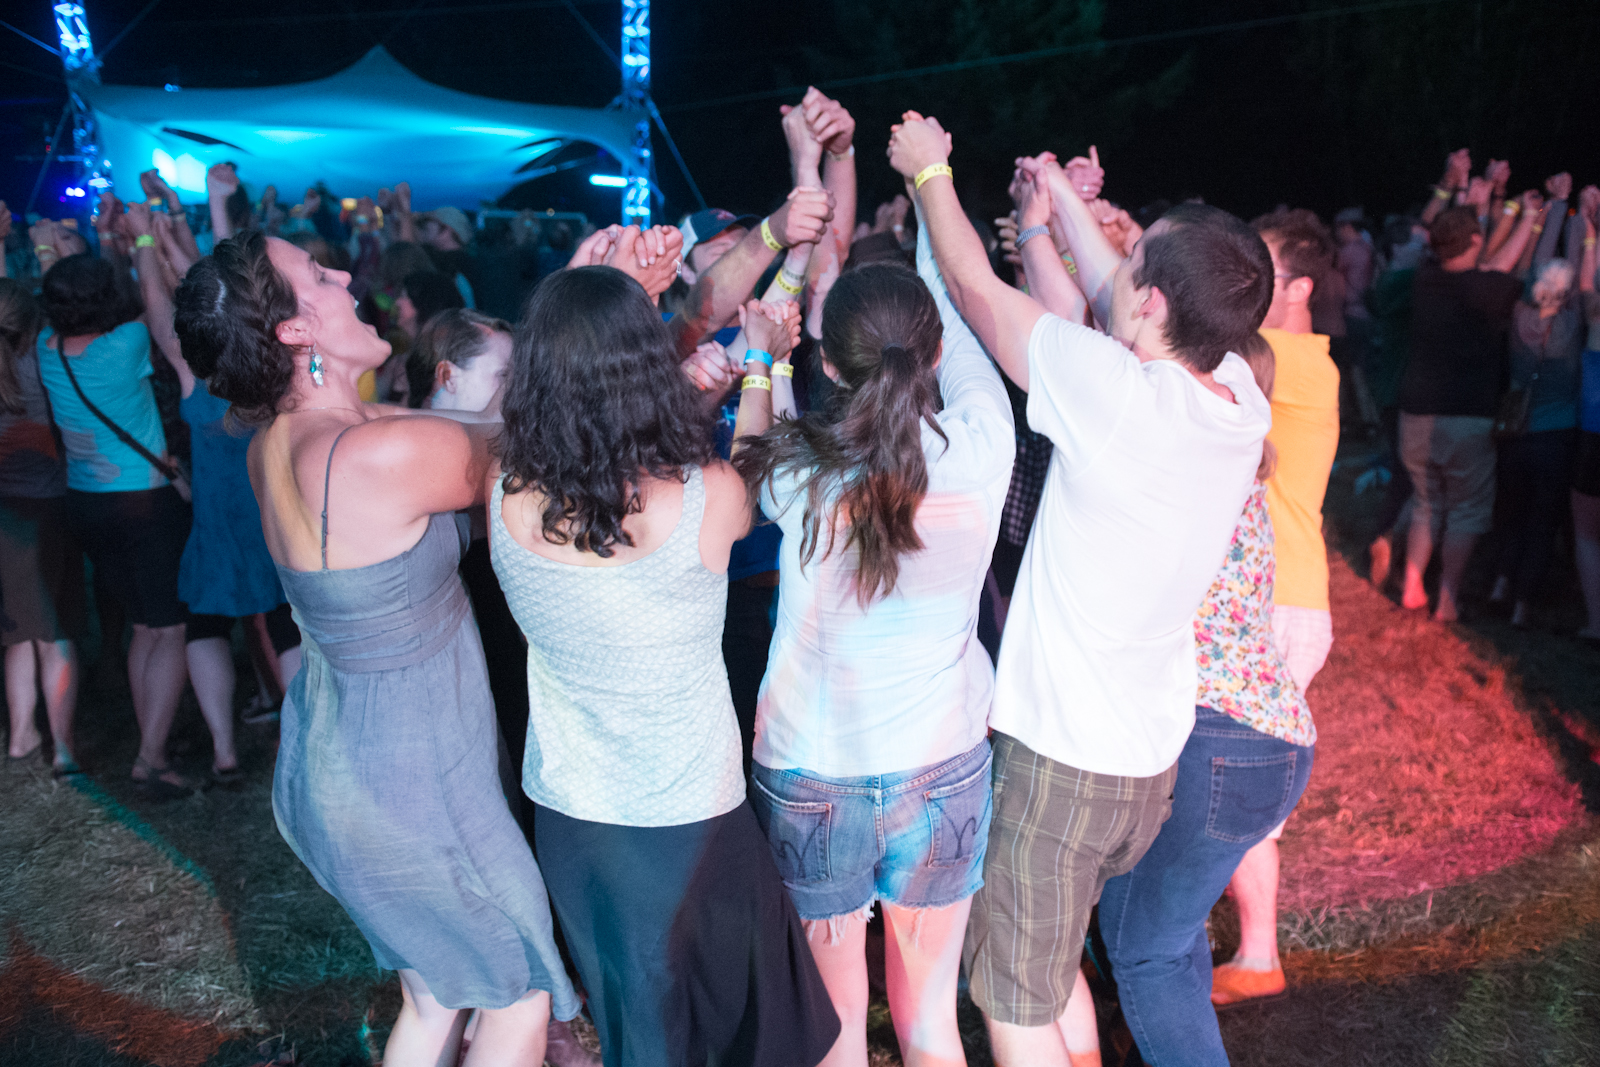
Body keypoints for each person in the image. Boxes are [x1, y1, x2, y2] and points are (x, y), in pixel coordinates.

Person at [886, 115, 1271, 1066]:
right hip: (1141, 762)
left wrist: (929, 169)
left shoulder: (1117, 396)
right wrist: (1053, 194)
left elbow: (976, 288)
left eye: (1135, 260)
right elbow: (1114, 290)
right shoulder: (1234, 398)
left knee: (1015, 1001)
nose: (1120, 267)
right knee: (1052, 979)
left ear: (1151, 307)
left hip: (1064, 765)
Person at [172, 230, 578, 1067]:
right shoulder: (377, 453)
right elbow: (545, 439)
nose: (345, 275)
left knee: (436, 1002)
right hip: (409, 787)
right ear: (294, 331)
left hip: (342, 761)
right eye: (318, 276)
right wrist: (589, 310)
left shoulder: (283, 442)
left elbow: (457, 422)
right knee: (517, 991)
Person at [490, 266, 840, 1067]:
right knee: (746, 1034)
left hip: (576, 823)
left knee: (644, 1033)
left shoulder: (501, 490)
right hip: (691, 820)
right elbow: (752, 473)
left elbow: (599, 443)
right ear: (648, 368)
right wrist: (758, 363)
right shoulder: (703, 495)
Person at [734, 249, 1014, 1065]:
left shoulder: (802, 476)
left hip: (813, 775)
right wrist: (931, 204)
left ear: (827, 362)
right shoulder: (983, 447)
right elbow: (962, 339)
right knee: (929, 1022)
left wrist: (761, 358)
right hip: (941, 767)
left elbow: (758, 451)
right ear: (929, 355)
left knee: (838, 1027)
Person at [1097, 331, 1315, 1067]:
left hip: (1223, 741)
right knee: (1165, 923)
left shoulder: (1196, 474)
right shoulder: (1244, 468)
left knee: (1143, 951)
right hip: (1269, 731)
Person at [122, 201, 301, 786]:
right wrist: (170, 239)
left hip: (216, 516)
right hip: (268, 508)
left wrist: (147, 246)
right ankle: (305, 736)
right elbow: (212, 293)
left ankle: (224, 752)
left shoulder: (196, 373)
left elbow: (159, 312)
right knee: (283, 622)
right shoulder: (270, 365)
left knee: (205, 627)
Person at [1210, 207, 1341, 1005]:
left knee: (1235, 780)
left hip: (1279, 597)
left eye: (1261, 269)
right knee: (1237, 777)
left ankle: (1257, 954)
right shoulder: (1286, 355)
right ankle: (1251, 948)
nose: (1244, 282)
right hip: (1283, 593)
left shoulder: (1291, 359)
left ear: (1298, 288)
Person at [35, 252, 197, 797]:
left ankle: (154, 738)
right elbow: (155, 300)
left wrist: (52, 253)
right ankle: (151, 759)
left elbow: (70, 293)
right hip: (144, 504)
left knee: (142, 628)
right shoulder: (122, 344)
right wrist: (144, 237)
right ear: (107, 298)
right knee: (168, 628)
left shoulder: (46, 348)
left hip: (86, 502)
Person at [1396, 198, 1542, 621]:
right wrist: (1528, 217)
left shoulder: (1424, 281)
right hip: (1467, 416)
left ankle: (1410, 585)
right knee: (1466, 509)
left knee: (1426, 502)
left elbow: (1484, 264)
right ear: (1475, 241)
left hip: (1416, 411)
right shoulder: (1487, 290)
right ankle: (1446, 598)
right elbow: (1501, 268)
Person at [1488, 185, 1592, 628]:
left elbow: (1536, 266)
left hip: (1514, 431)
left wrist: (1552, 211)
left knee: (1509, 512)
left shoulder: (1517, 317)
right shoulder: (1572, 322)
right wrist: (1582, 226)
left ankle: (1498, 583)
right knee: (1541, 521)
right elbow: (1579, 277)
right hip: (1557, 435)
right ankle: (1522, 607)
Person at [0, 278, 83, 776]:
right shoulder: (41, 363)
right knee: (56, 634)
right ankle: (64, 749)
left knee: (17, 632)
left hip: (3, 512)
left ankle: (21, 736)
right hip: (47, 512)